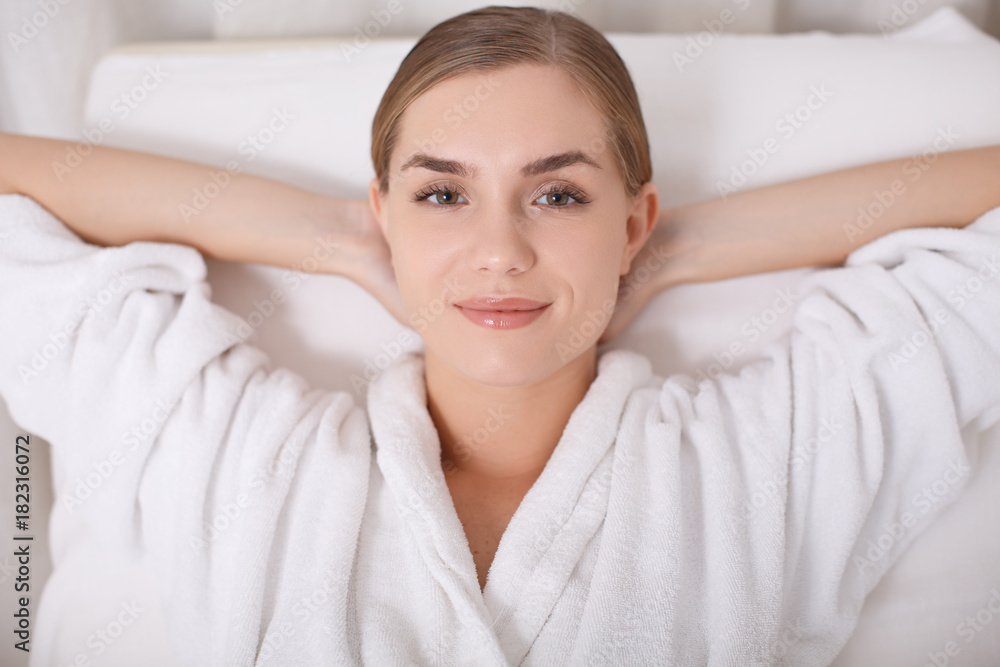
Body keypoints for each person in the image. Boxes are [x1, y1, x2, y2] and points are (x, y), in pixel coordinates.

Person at [1, 5, 999, 665]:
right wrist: (337, 241)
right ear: (384, 212)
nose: (498, 252)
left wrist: (670, 254)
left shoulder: (772, 456)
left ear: (633, 219)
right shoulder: (234, 457)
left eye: (558, 194)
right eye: (441, 194)